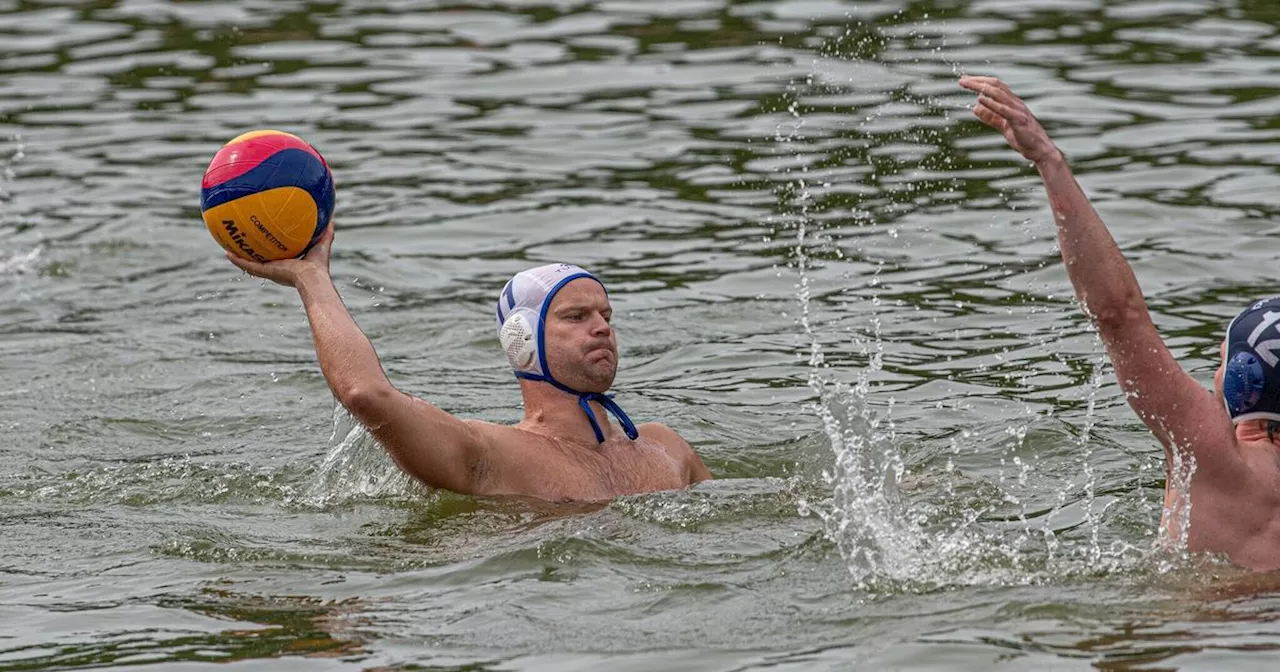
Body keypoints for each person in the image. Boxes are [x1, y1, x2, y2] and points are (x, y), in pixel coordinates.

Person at [960, 75, 1280, 571]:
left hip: (1199, 633)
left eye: (1221, 360)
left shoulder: (1211, 452)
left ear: (1242, 380)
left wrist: (1050, 161)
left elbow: (1117, 315)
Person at [225, 231, 712, 502]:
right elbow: (365, 394)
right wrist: (311, 278)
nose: (602, 327)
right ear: (523, 341)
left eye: (606, 315)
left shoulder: (665, 448)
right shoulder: (488, 454)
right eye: (575, 317)